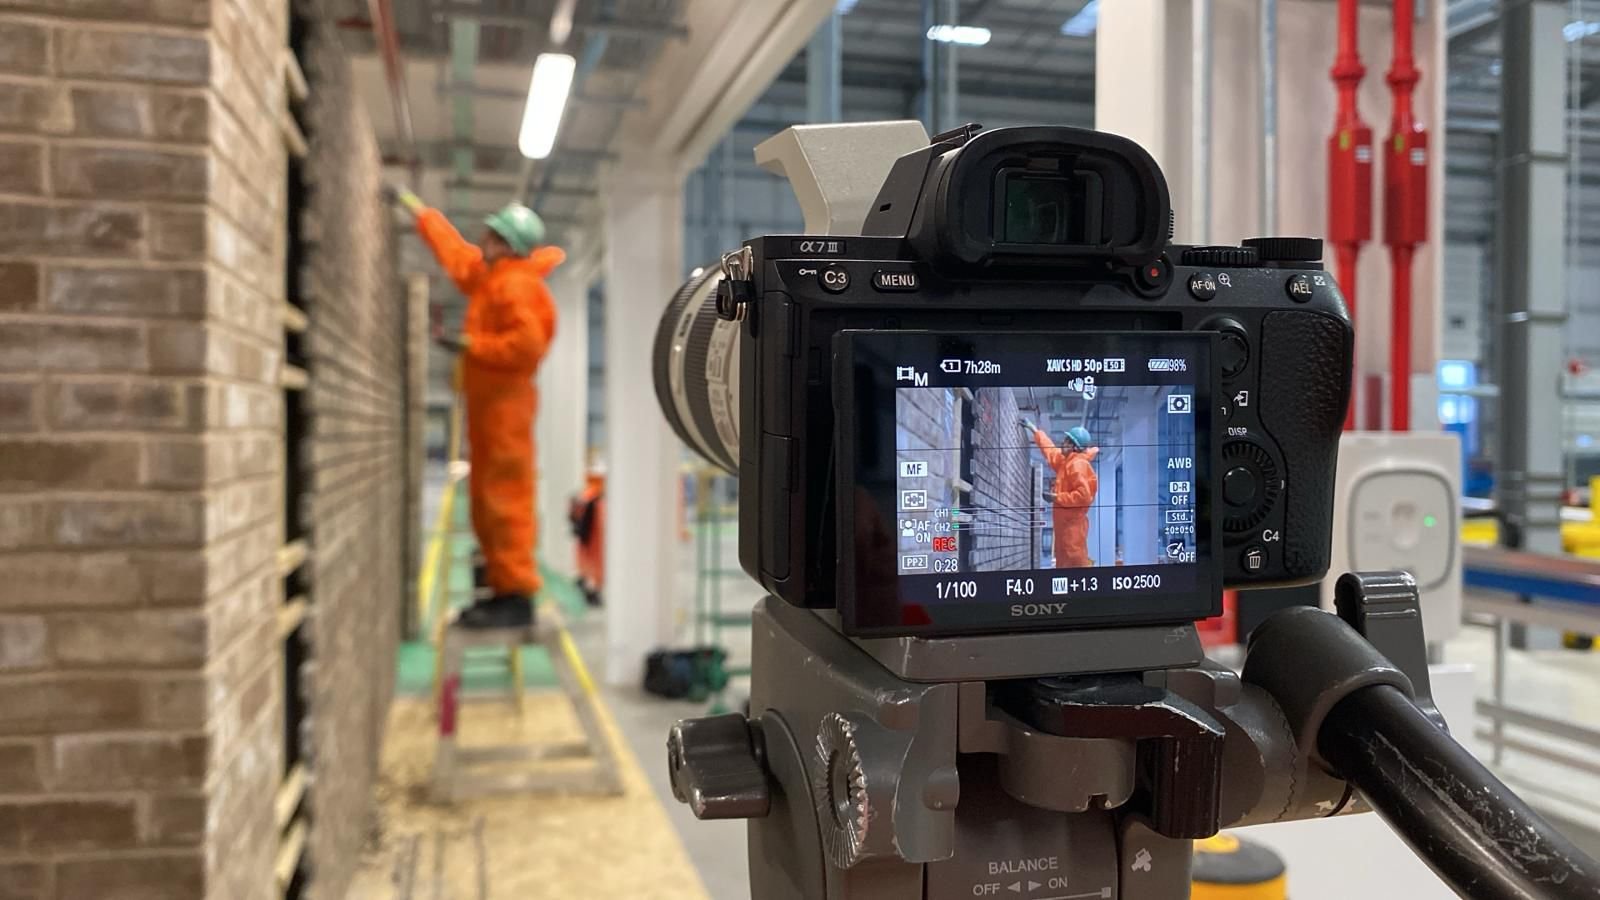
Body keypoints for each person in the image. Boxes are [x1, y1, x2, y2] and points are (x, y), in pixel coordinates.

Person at [395, 187, 564, 629]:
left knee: (505, 495)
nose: (482, 242)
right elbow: (457, 257)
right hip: (489, 405)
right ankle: (498, 580)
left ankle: (515, 593)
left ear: (508, 244)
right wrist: (424, 214)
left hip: (507, 405)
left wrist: (474, 344)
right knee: (488, 497)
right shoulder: (493, 278)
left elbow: (526, 347)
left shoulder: (518, 286)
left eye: (492, 236)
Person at [1019, 420, 1100, 568]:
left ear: (1074, 447)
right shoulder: (1067, 462)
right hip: (1065, 526)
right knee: (1065, 562)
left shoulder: (1078, 465)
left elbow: (1083, 497)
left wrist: (1057, 497)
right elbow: (1050, 451)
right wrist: (1035, 430)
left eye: (1067, 442)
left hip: (1072, 529)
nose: (1063, 443)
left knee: (1073, 562)